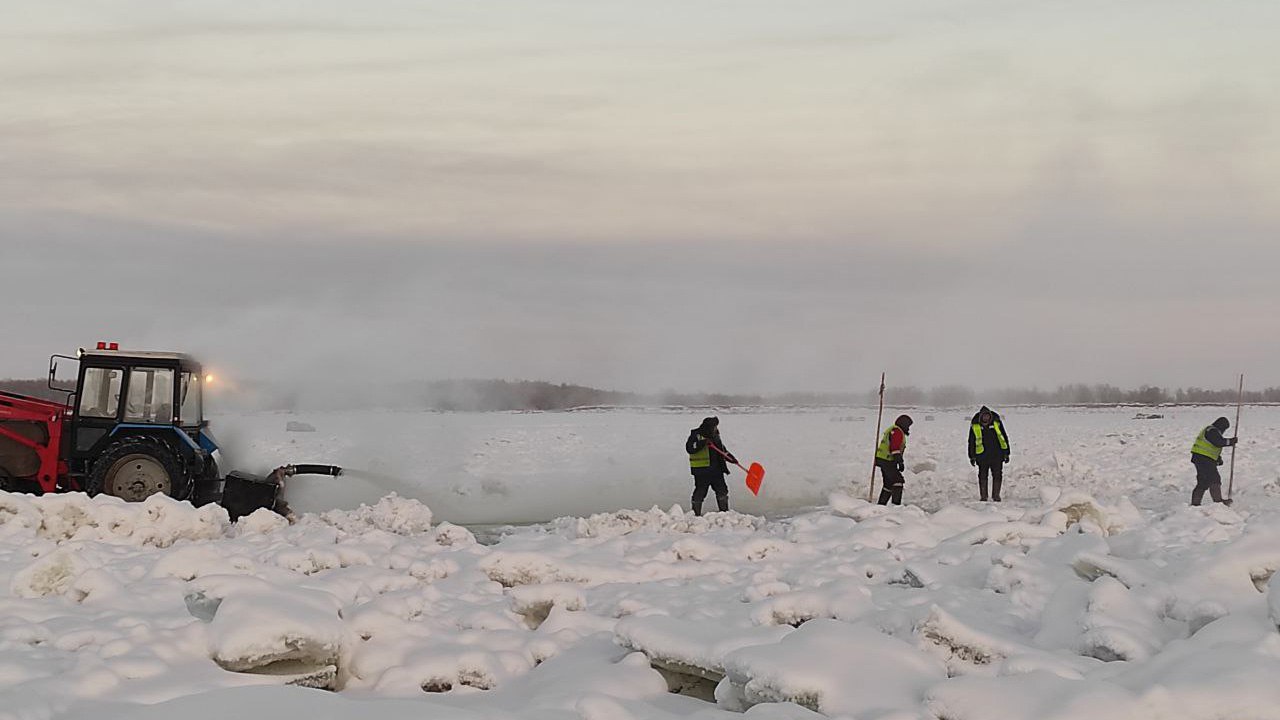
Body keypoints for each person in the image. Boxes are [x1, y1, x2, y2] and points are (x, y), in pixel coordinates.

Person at [686, 416, 737, 516]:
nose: (716, 428)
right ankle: (695, 514)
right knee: (700, 492)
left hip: (716, 470)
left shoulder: (715, 435)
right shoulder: (696, 434)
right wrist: (702, 443)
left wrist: (730, 458)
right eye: (714, 426)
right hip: (702, 471)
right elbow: (690, 448)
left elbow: (722, 450)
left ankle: (724, 513)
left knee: (722, 490)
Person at [1190, 416, 1237, 506]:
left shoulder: (1210, 430)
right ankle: (1218, 503)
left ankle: (1195, 504)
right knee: (1214, 479)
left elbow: (1211, 446)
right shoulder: (1212, 431)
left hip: (1200, 457)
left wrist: (1217, 459)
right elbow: (1218, 442)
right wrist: (1231, 441)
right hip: (1204, 458)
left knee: (1203, 481)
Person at [967, 406, 1010, 502]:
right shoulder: (975, 425)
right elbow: (971, 441)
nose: (986, 418)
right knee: (982, 476)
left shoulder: (997, 423)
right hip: (982, 456)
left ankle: (996, 495)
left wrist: (1006, 453)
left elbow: (1004, 437)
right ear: (981, 417)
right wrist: (972, 456)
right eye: (984, 416)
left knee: (997, 475)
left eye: (987, 416)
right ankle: (983, 496)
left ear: (990, 416)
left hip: (997, 455)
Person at [875, 414, 913, 505]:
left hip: (883, 459)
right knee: (898, 481)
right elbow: (894, 447)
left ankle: (881, 505)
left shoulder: (894, 429)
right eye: (908, 426)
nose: (908, 428)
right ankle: (896, 506)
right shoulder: (897, 432)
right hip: (887, 460)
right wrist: (900, 461)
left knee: (888, 483)